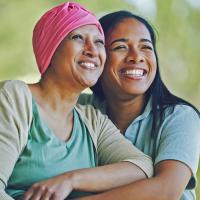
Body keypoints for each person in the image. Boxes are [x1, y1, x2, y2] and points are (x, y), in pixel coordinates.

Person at [0, 4, 154, 200]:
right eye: (78, 37)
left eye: (99, 42)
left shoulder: (91, 120)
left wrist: (70, 179)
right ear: (51, 47)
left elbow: (142, 166)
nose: (92, 50)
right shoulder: (14, 97)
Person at [78, 11, 200, 200]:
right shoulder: (80, 110)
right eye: (120, 47)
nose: (136, 57)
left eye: (145, 47)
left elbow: (166, 190)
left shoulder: (179, 116)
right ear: (98, 57)